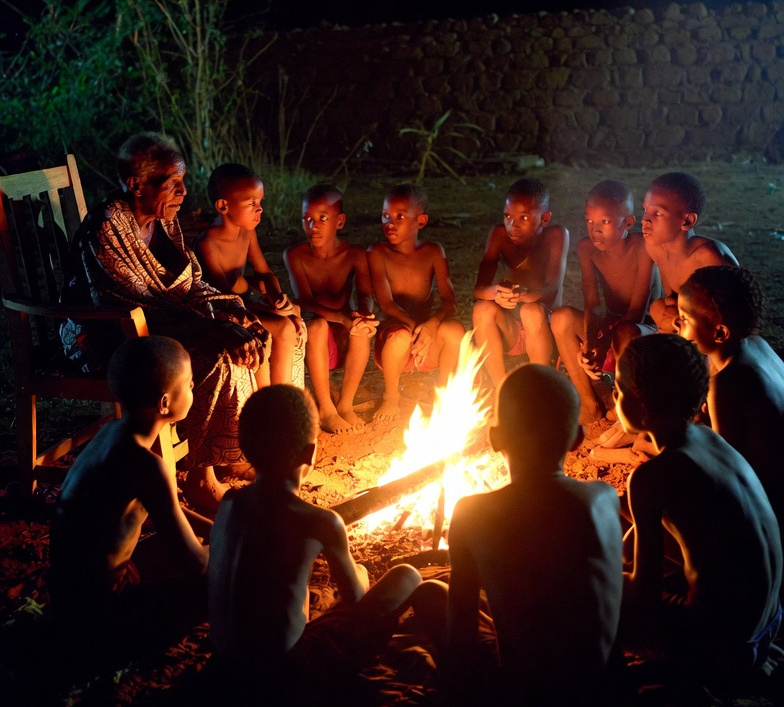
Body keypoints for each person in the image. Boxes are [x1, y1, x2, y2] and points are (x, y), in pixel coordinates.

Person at [60, 133, 268, 513]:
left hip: (156, 326)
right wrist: (215, 327)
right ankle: (200, 479)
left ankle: (227, 449)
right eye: (172, 183)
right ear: (136, 185)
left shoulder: (163, 222)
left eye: (183, 180)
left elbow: (185, 285)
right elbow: (139, 306)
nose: (184, 191)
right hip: (105, 339)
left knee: (245, 329)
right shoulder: (108, 227)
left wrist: (229, 309)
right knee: (217, 354)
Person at [207, 384, 423, 704]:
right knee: (407, 576)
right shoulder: (320, 521)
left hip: (223, 667)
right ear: (310, 453)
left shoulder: (230, 502)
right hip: (285, 676)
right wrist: (361, 572)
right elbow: (355, 598)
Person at [446, 364, 623, 706]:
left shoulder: (471, 515)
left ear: (495, 439)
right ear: (577, 439)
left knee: (431, 595)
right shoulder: (604, 498)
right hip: (601, 686)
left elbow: (461, 632)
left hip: (528, 692)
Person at [615, 334, 782, 680]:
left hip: (723, 646)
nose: (615, 398)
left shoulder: (651, 477)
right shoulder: (711, 440)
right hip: (769, 621)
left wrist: (593, 572)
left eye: (619, 390)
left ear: (642, 405)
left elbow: (642, 591)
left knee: (588, 602)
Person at [49, 336, 209, 662]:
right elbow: (197, 564)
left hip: (70, 594)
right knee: (222, 581)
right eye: (190, 384)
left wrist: (221, 527)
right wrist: (235, 545)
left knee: (204, 543)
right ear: (164, 404)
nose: (194, 388)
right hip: (98, 615)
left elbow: (169, 513)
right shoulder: (147, 465)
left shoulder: (111, 433)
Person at [678, 265, 784, 554]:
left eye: (685, 319)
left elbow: (725, 472)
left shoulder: (726, 382)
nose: (678, 326)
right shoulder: (758, 346)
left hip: (768, 503)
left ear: (720, 332)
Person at [551, 180, 659, 425]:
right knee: (561, 318)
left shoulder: (643, 247)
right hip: (613, 323)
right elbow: (592, 302)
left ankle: (627, 409)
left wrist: (604, 343)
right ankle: (589, 404)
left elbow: (638, 310)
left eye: (605, 222)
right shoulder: (587, 248)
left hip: (645, 328)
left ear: (628, 223)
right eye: (589, 221)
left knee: (625, 332)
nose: (595, 229)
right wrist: (590, 342)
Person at [193, 163, 305, 388]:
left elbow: (264, 272)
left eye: (260, 202)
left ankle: (285, 393)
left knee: (294, 311)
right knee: (283, 327)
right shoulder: (208, 245)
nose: (260, 209)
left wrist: (277, 298)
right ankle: (273, 398)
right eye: (251, 203)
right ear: (223, 206)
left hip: (243, 300)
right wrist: (272, 310)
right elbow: (225, 299)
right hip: (221, 313)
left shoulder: (247, 232)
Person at [284, 184, 378, 434]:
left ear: (340, 221)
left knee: (361, 330)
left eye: (322, 219)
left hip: (344, 331)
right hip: (315, 335)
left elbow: (366, 294)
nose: (313, 227)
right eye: (307, 219)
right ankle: (326, 408)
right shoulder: (295, 255)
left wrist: (364, 315)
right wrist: (342, 317)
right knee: (317, 325)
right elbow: (304, 300)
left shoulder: (354, 254)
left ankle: (346, 404)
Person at [367, 183, 465, 420]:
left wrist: (431, 326)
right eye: (385, 216)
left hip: (426, 339)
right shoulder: (377, 253)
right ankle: (391, 397)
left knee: (455, 330)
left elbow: (449, 301)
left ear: (420, 221)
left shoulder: (433, 252)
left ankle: (443, 394)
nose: (390, 222)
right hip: (394, 340)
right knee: (399, 336)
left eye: (400, 216)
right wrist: (413, 329)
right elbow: (387, 304)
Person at [472, 177, 569, 387]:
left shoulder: (556, 235)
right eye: (508, 216)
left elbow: (552, 287)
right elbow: (479, 289)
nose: (512, 225)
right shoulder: (499, 235)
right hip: (512, 330)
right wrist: (497, 293)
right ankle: (501, 387)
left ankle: (540, 383)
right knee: (482, 310)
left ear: (544, 219)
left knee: (530, 311)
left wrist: (521, 296)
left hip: (545, 325)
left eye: (524, 218)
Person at [635, 171, 738, 334]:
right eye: (645, 210)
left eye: (657, 213)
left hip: (714, 333)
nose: (645, 220)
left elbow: (736, 314)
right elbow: (671, 300)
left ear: (687, 221)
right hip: (685, 324)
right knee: (658, 307)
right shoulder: (656, 249)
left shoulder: (709, 258)